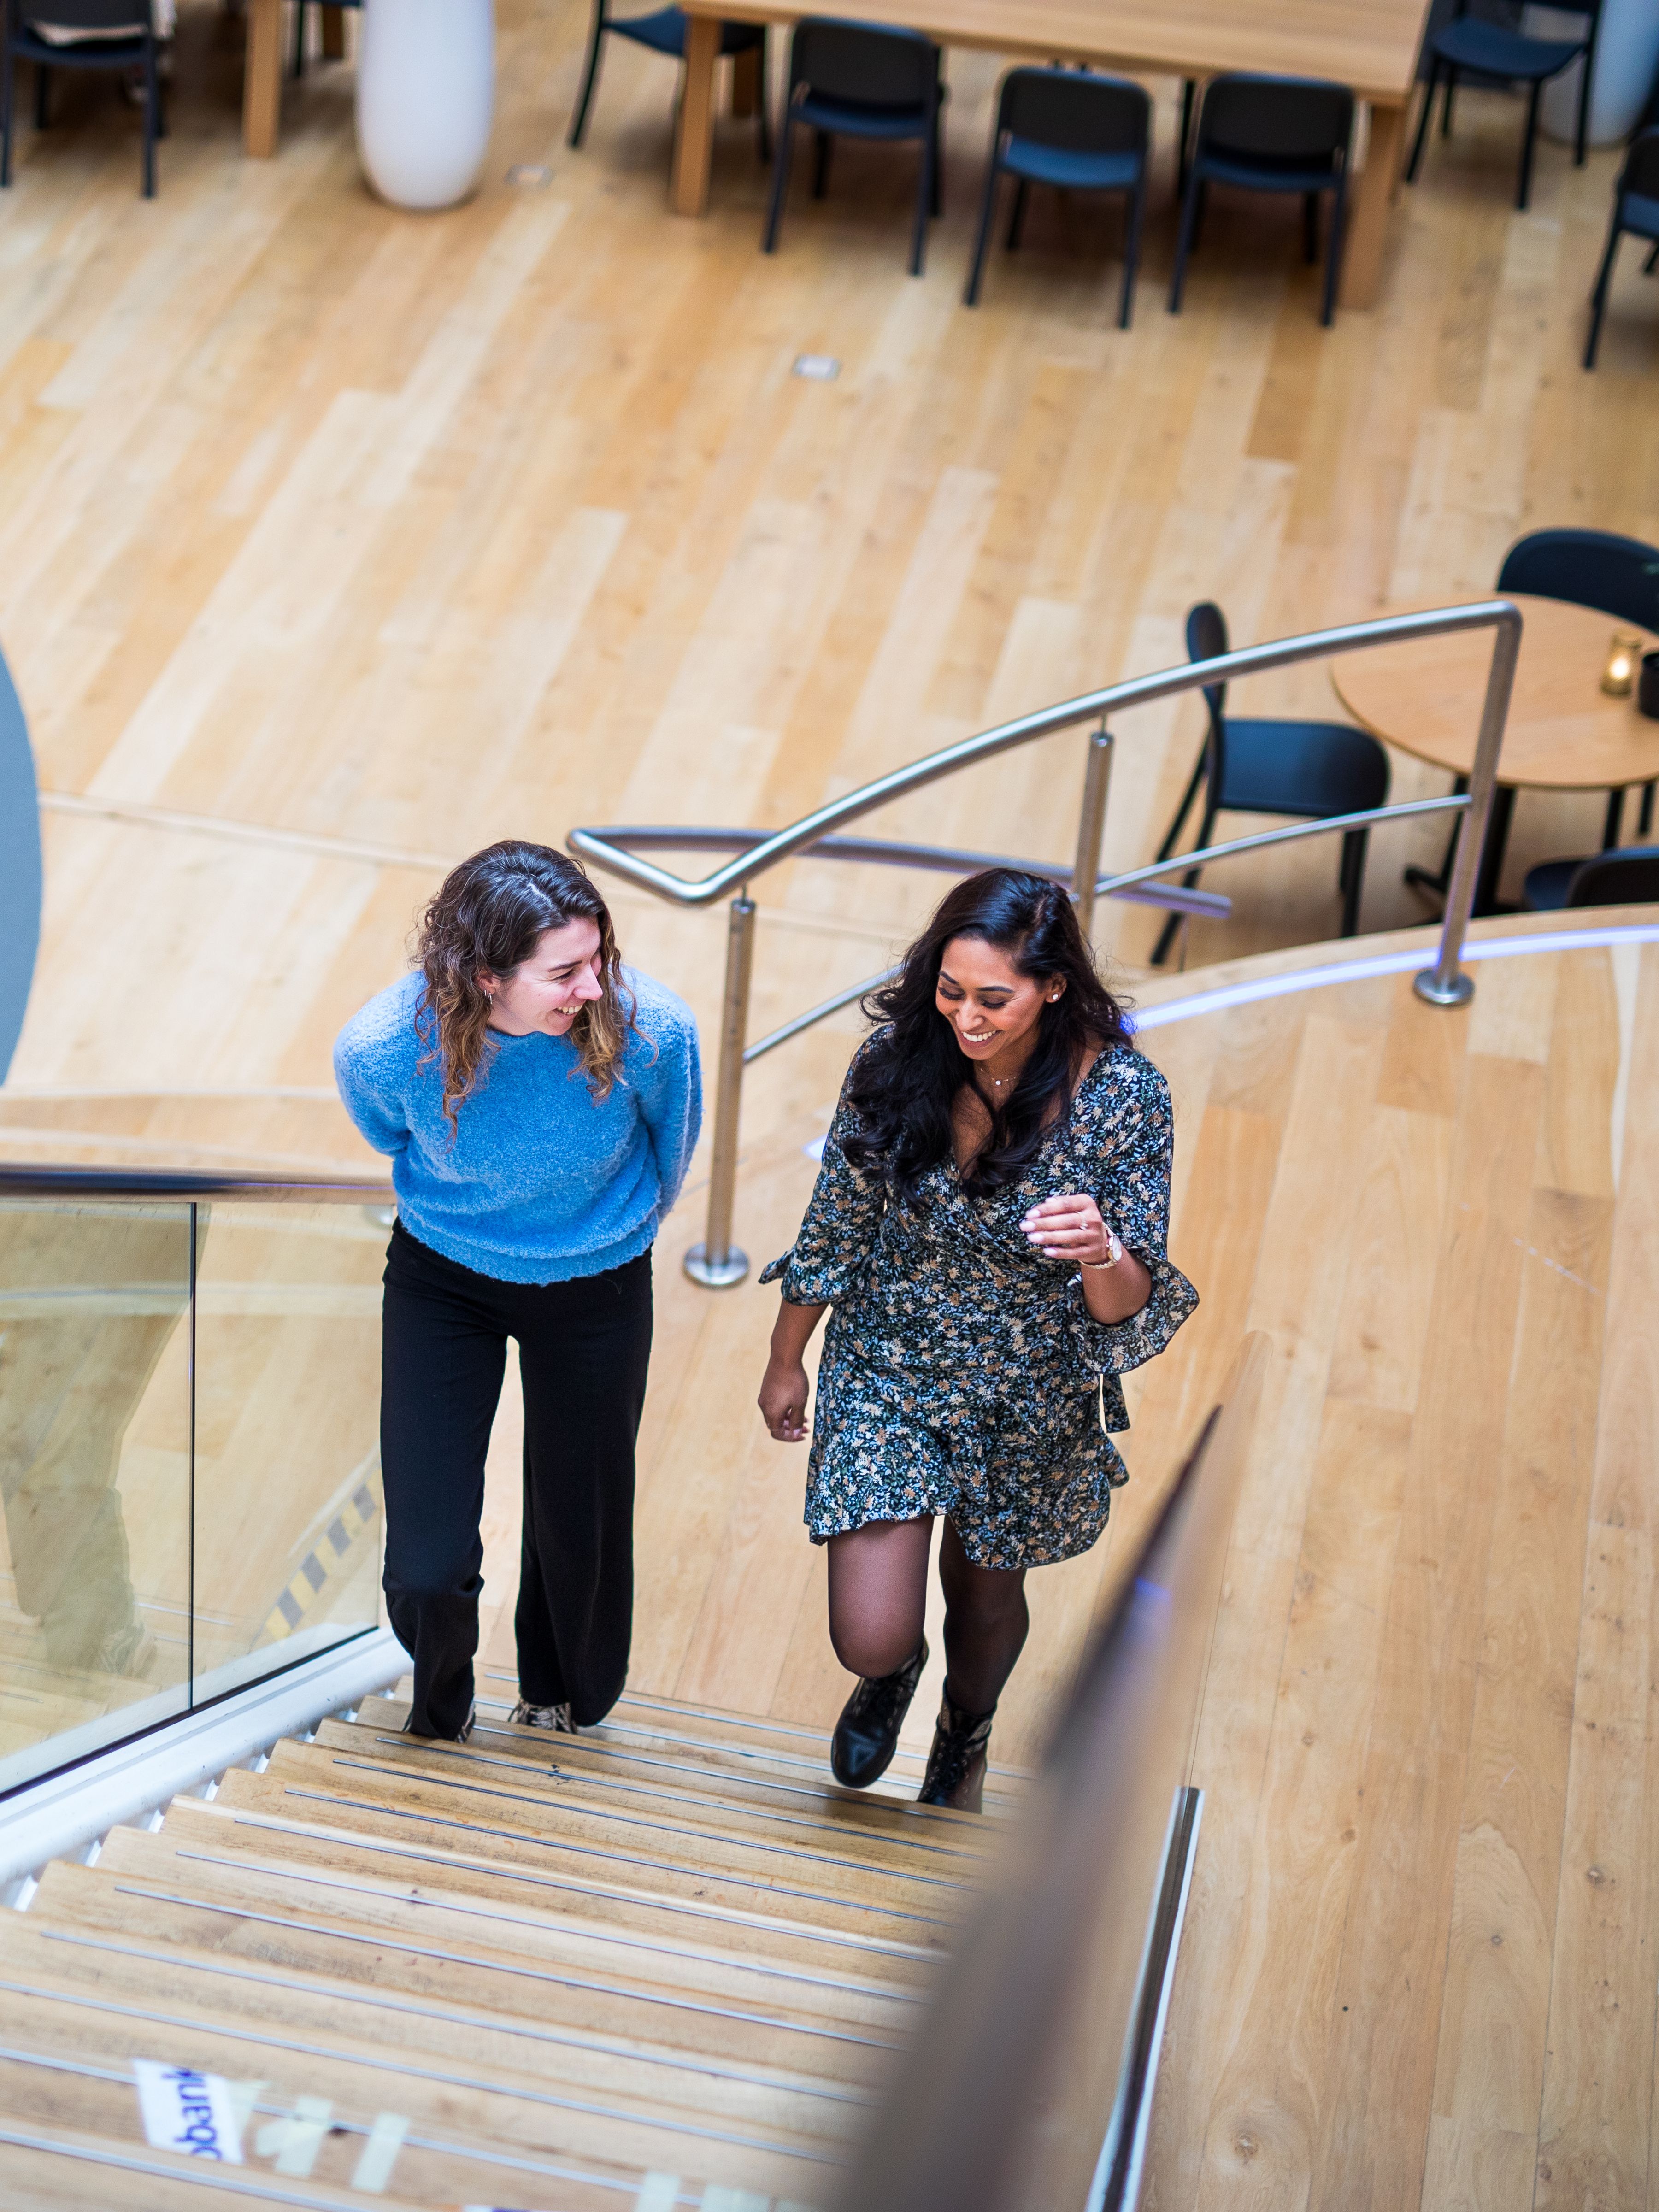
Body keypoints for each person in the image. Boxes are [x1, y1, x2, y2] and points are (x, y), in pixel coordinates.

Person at [757, 869, 1197, 1812]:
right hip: (888, 1356)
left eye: (994, 999)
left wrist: (1101, 1250)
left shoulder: (1126, 1097)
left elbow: (1125, 1305)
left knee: (986, 1596)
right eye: (951, 991)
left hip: (1028, 1382)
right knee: (869, 1634)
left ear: (1055, 987)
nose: (966, 1017)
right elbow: (838, 1218)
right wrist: (787, 1356)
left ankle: (966, 1728)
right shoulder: (896, 1061)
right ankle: (895, 1674)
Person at [335, 841, 700, 1744]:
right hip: (443, 1281)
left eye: (599, 958)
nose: (594, 986)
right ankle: (441, 1705)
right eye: (564, 972)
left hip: (597, 1283)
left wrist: (604, 1236)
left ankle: (560, 1698)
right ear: (485, 978)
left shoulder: (654, 1030)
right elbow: (388, 1134)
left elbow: (672, 1147)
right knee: (425, 1562)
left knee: (581, 1525)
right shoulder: (385, 1048)